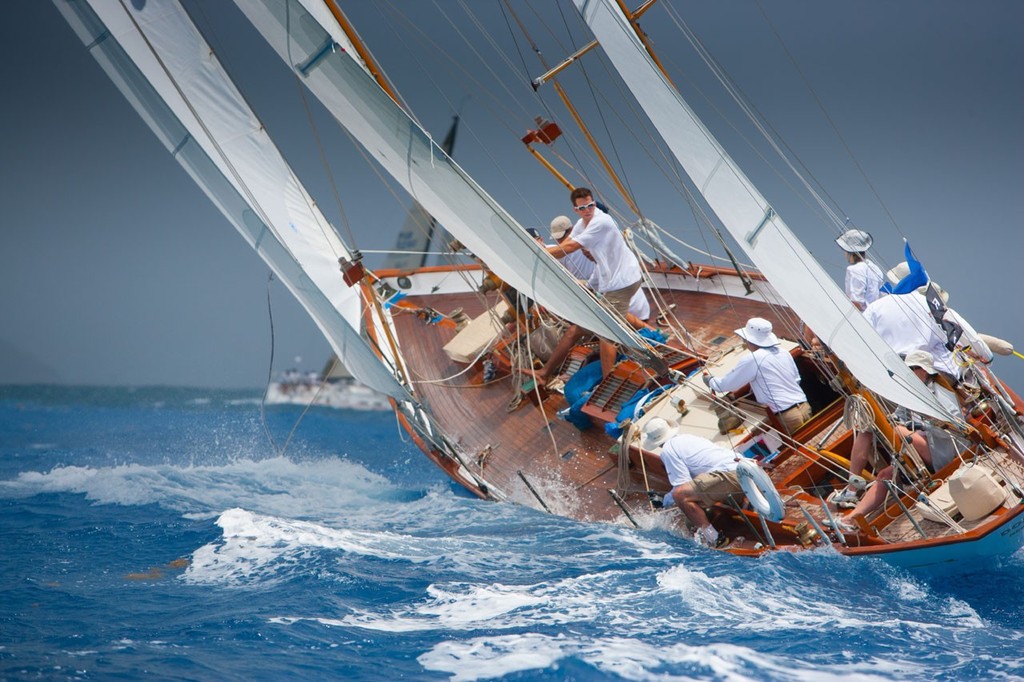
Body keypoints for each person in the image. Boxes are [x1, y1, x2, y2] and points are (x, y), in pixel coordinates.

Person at [828, 350, 968, 524]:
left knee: (898, 431)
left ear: (923, 371)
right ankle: (850, 518)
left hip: (945, 454)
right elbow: (900, 415)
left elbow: (952, 430)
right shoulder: (912, 393)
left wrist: (919, 426)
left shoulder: (943, 396)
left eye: (911, 369)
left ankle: (857, 488)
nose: (907, 373)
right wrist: (887, 421)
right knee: (885, 475)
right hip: (921, 450)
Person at [543, 191, 650, 380]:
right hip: (621, 290)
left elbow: (568, 247)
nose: (586, 211)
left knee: (606, 328)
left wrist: (541, 254)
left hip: (625, 288)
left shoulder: (601, 224)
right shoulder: (593, 242)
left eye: (589, 206)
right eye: (582, 208)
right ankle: (545, 373)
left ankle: (609, 380)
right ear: (576, 210)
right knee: (580, 328)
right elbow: (575, 250)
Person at [862, 262, 991, 379]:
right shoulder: (934, 305)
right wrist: (987, 357)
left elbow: (861, 335)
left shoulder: (875, 307)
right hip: (937, 373)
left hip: (888, 373)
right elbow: (971, 339)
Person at [641, 418, 743, 548]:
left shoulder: (668, 450)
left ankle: (714, 539)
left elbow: (681, 487)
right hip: (743, 469)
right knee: (690, 507)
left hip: (730, 476)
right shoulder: (686, 438)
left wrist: (663, 501)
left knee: (680, 496)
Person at [702, 318, 810, 435]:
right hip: (804, 407)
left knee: (798, 449)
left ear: (749, 340)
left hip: (787, 416)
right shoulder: (784, 352)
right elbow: (796, 379)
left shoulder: (754, 359)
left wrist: (710, 381)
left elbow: (723, 385)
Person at [835, 229, 884, 311]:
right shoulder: (875, 268)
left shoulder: (854, 269)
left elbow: (856, 302)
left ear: (850, 252)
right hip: (875, 315)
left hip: (861, 317)